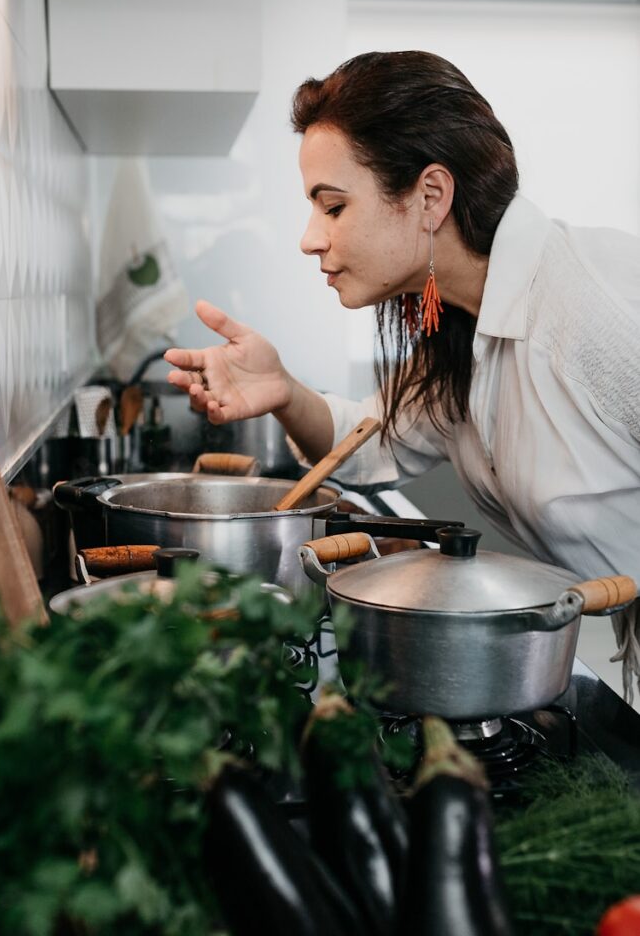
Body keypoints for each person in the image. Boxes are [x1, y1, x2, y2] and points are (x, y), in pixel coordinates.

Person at [164, 50, 640, 701]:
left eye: (332, 207)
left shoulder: (598, 304)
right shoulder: (461, 328)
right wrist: (282, 392)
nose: (309, 238)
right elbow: (372, 442)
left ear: (429, 197)